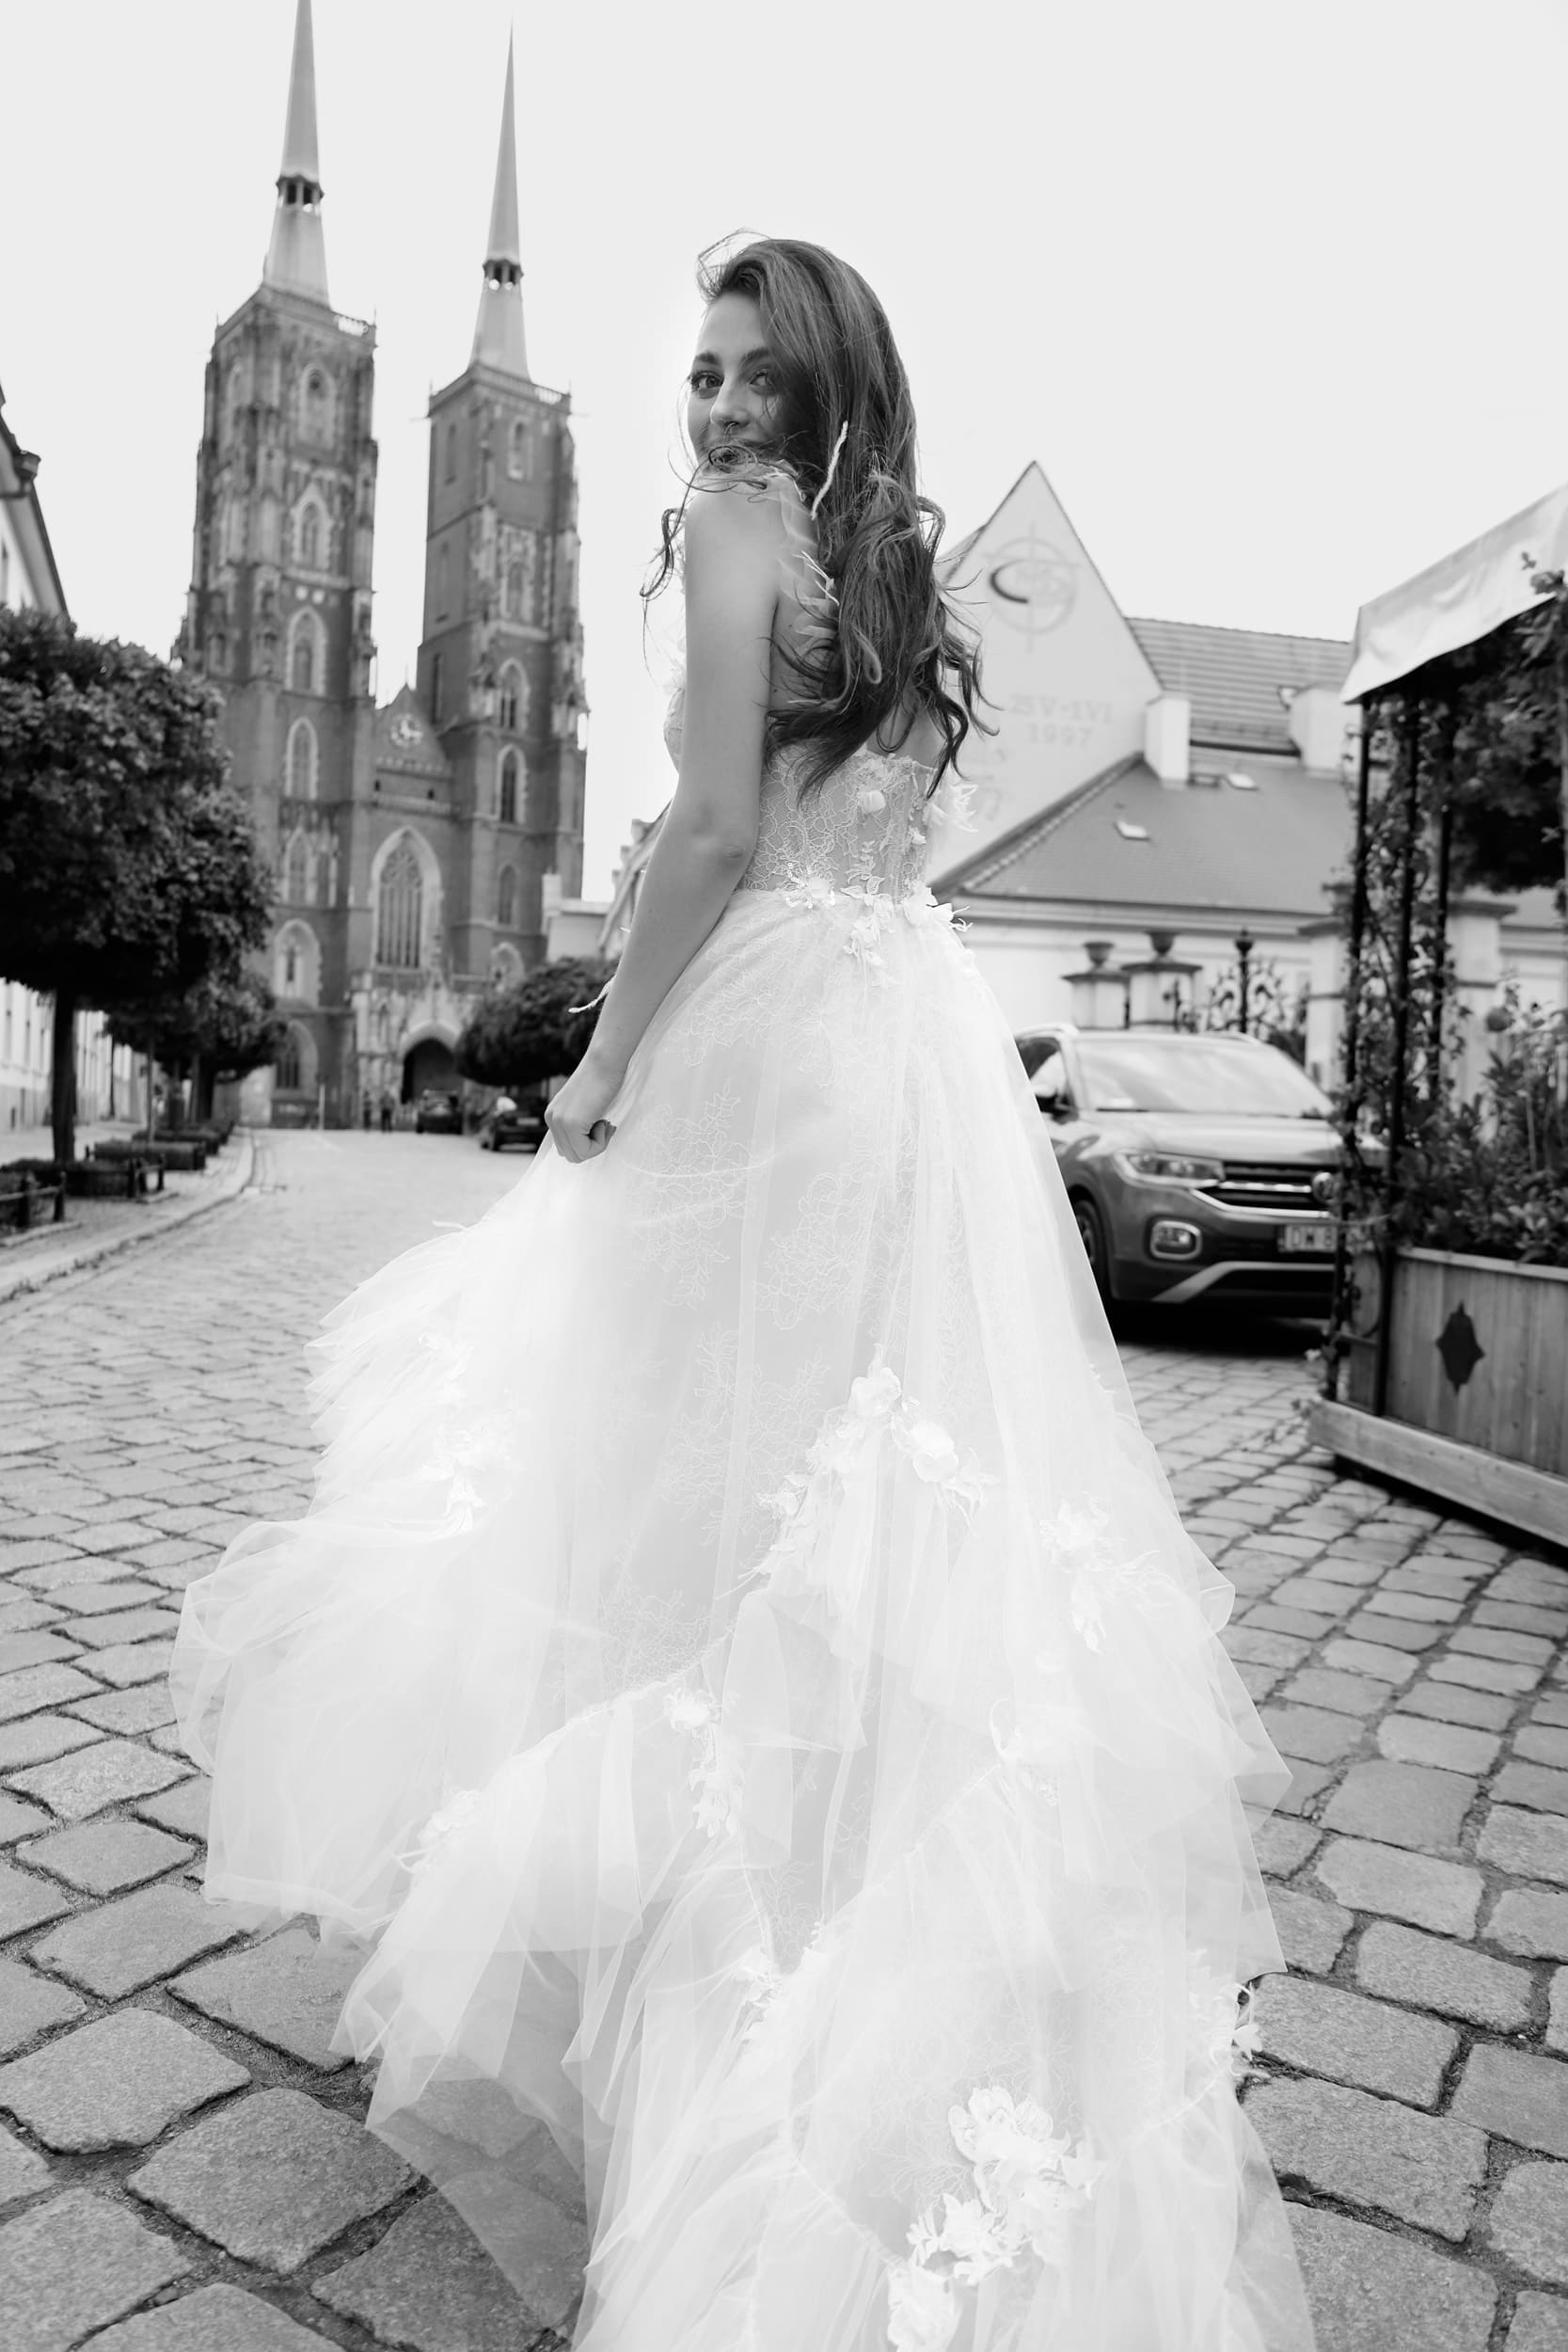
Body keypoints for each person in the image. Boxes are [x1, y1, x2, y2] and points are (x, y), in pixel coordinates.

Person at [171, 237, 1315, 2352]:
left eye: (746, 372)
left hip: (767, 1046)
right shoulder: (899, 574)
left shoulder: (734, 535)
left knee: (680, 1495)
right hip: (898, 1058)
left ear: (816, 384)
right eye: (696, 374)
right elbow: (875, 841)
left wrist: (602, 1061)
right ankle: (831, 1930)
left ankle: (696, 2001)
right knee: (843, 1492)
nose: (709, 407)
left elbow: (705, 833)